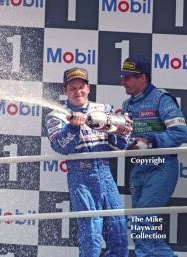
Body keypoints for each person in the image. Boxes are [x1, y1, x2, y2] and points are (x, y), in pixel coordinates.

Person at [45, 67, 131, 257]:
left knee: (118, 234)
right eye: (73, 88)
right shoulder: (56, 116)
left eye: (81, 87)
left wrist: (123, 129)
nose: (78, 92)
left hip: (106, 174)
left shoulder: (103, 109)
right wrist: (73, 128)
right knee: (91, 237)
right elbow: (60, 147)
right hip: (81, 177)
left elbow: (120, 144)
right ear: (64, 91)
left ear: (89, 88)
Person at [120, 54, 187, 257]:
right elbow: (128, 139)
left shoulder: (161, 98)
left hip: (161, 166)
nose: (123, 81)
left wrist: (149, 140)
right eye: (123, 76)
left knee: (143, 222)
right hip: (138, 169)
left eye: (128, 77)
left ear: (143, 78)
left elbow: (180, 133)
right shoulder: (126, 105)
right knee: (142, 231)